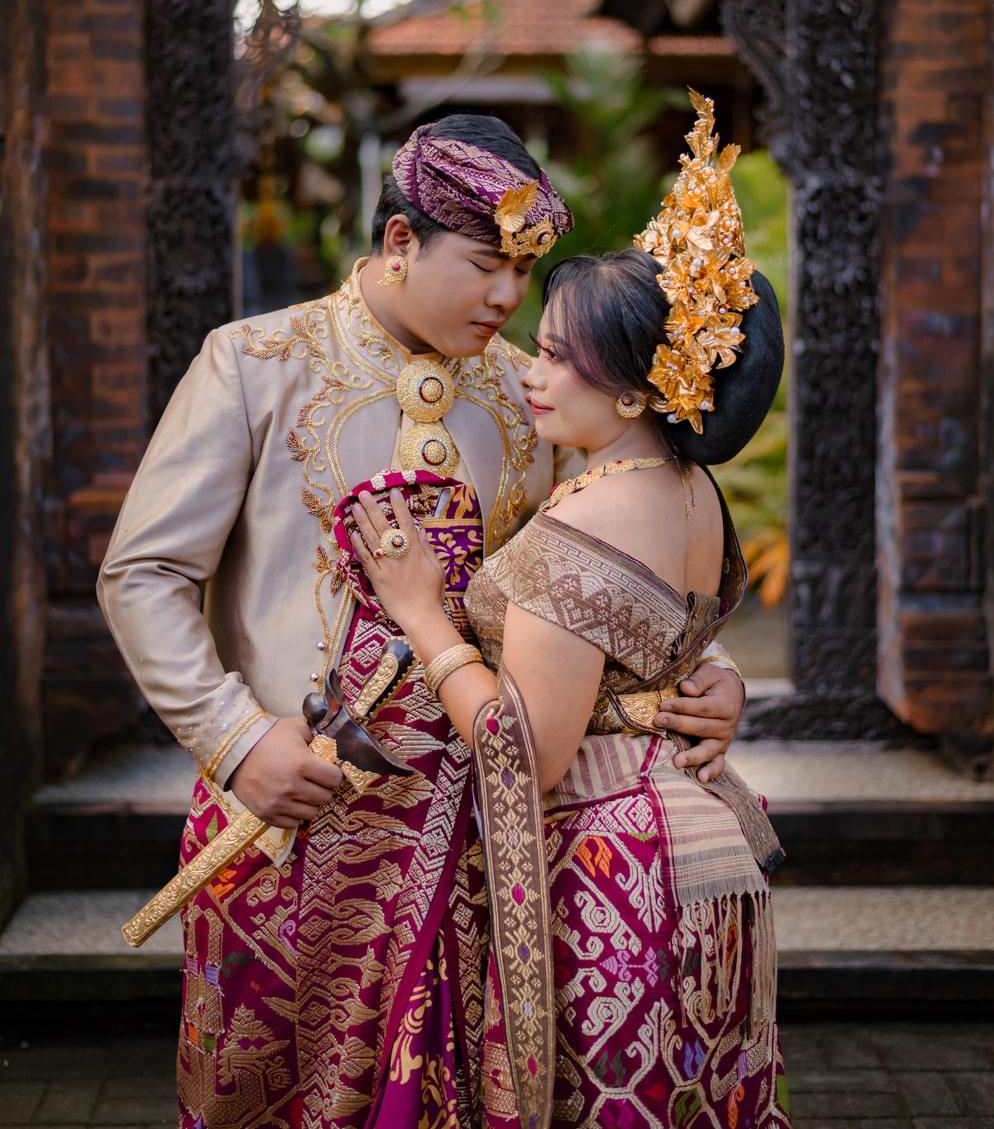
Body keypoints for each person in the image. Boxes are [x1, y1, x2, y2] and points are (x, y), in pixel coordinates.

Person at [98, 112, 748, 1129]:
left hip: (476, 847)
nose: (508, 297)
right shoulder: (256, 362)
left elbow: (612, 558)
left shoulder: (532, 395)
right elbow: (142, 573)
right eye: (487, 265)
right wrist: (235, 740)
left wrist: (704, 673)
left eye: (522, 272)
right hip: (284, 817)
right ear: (400, 239)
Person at [350, 94, 792, 1129]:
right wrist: (719, 683)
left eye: (557, 357)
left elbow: (527, 749)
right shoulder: (688, 488)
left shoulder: (589, 521)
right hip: (702, 846)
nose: (530, 373)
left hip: (614, 862)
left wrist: (423, 615)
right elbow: (667, 648)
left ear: (636, 391)